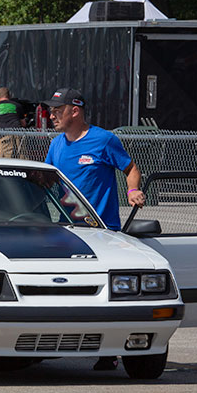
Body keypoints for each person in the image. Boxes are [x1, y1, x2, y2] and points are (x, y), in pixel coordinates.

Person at [43, 88, 146, 371]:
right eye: (51, 110)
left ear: (74, 110)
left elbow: (131, 169)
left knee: (105, 292)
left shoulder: (103, 140)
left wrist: (133, 190)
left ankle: (109, 349)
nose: (52, 115)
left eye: (57, 110)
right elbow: (46, 183)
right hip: (65, 231)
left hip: (103, 232)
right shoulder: (56, 145)